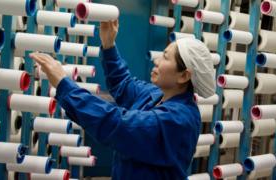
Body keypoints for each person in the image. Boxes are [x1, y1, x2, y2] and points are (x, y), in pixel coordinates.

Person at [29, 20, 215, 180]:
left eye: (165, 57)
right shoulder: (156, 95)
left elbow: (117, 124)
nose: (156, 61)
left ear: (183, 76)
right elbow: (123, 84)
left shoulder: (178, 119)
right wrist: (109, 45)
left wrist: (64, 84)